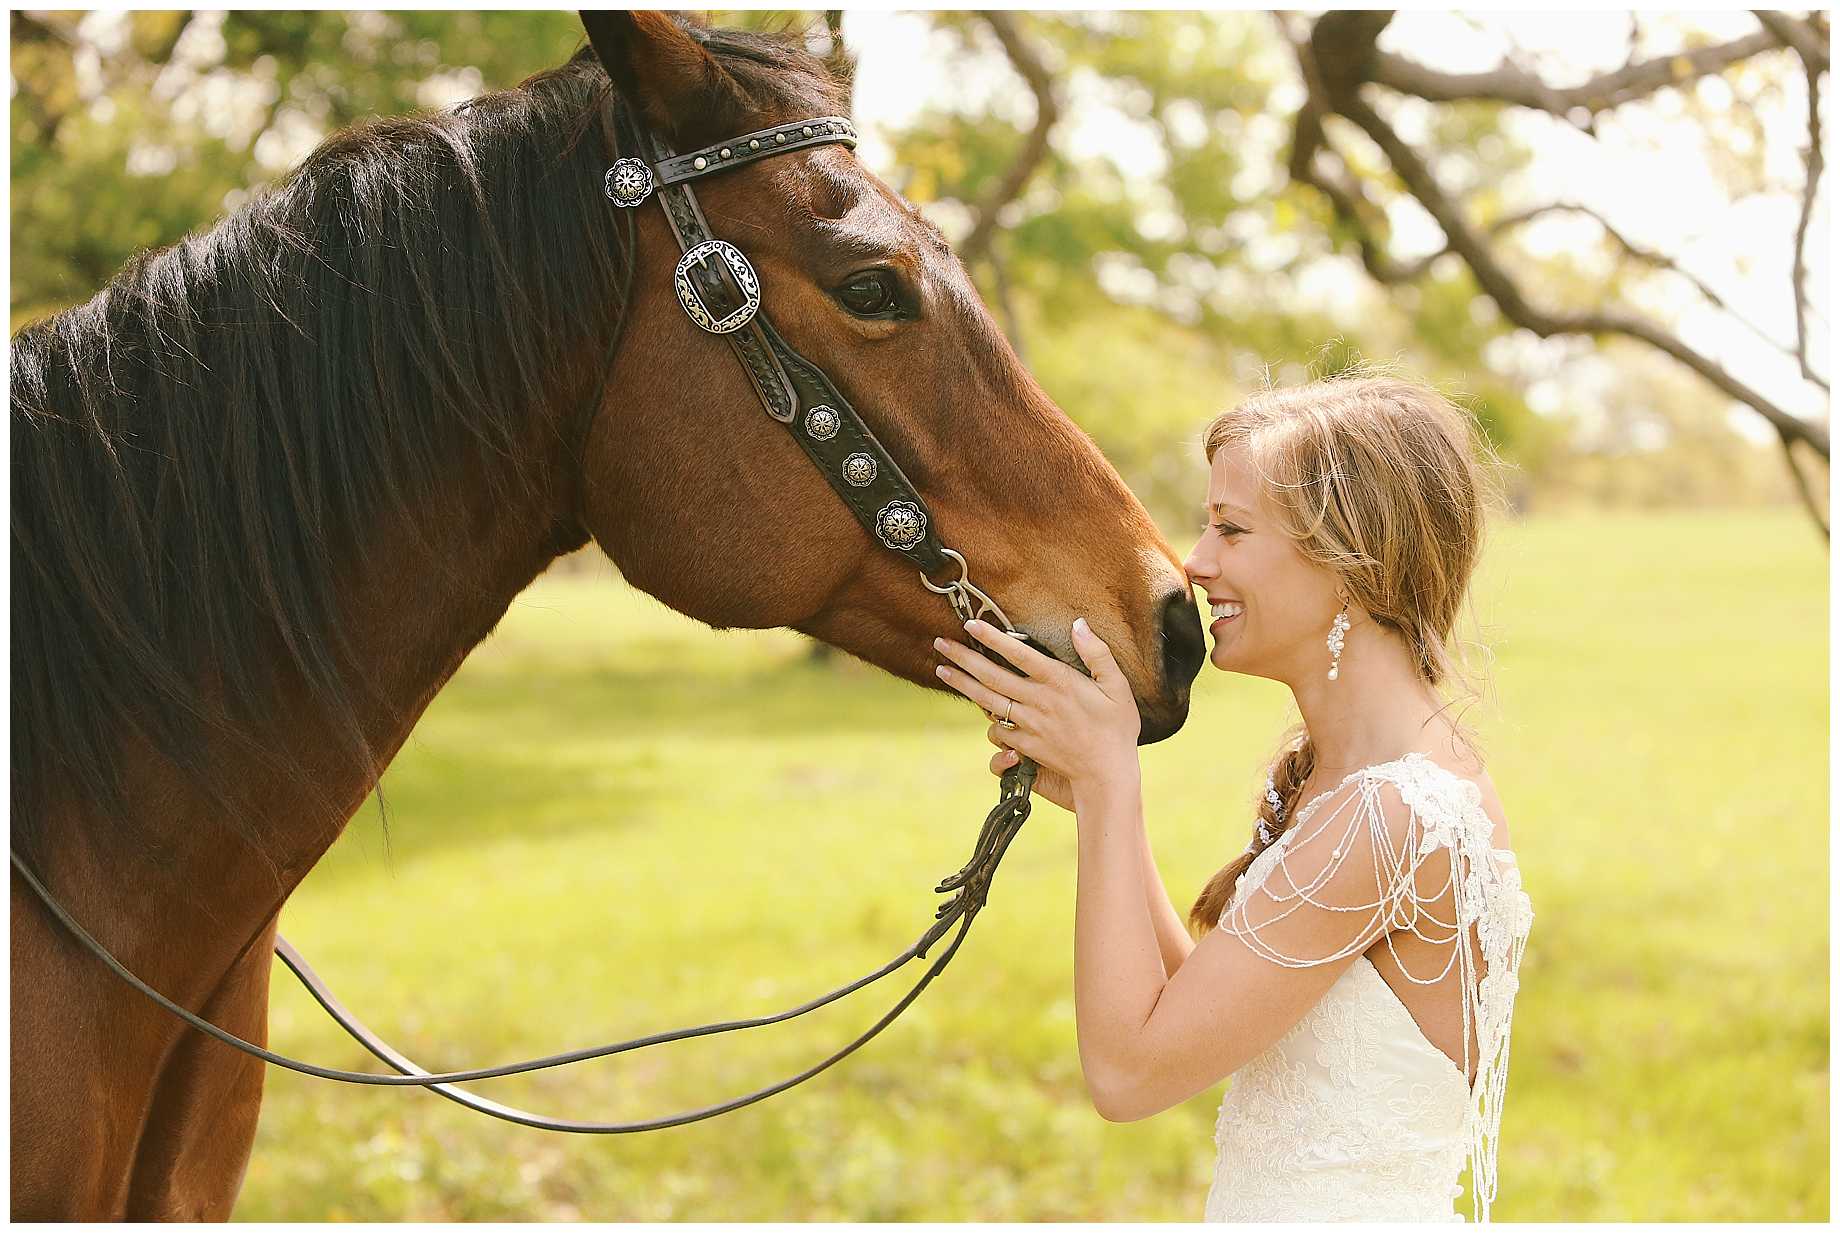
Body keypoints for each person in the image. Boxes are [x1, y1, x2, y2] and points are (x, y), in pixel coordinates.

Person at [932, 367, 1534, 1222]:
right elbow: (1218, 1009)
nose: (1196, 560)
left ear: (1351, 563)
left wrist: (1111, 782)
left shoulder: (1390, 814)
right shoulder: (1351, 777)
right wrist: (1109, 809)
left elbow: (1129, 1073)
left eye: (1231, 529)